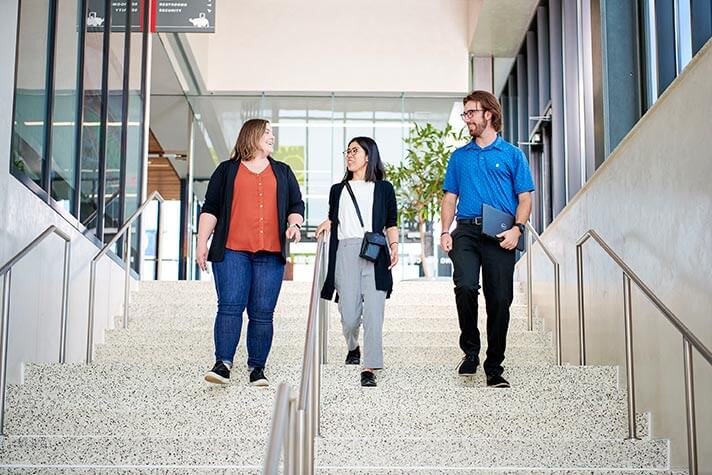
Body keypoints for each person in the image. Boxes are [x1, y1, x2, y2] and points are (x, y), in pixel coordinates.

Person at [196, 118, 304, 386]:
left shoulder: (283, 171)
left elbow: (296, 204)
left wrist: (294, 225)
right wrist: (201, 243)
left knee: (263, 312)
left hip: (271, 253)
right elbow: (210, 208)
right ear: (252, 135)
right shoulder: (226, 170)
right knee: (230, 307)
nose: (272, 137)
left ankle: (257, 368)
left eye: (272, 133)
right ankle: (223, 364)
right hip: (232, 251)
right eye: (267, 132)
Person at [440, 90, 534, 388]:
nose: (466, 118)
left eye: (471, 112)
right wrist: (445, 230)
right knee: (465, 286)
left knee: (499, 299)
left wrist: (517, 228)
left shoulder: (511, 155)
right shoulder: (459, 157)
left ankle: (494, 366)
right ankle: (470, 352)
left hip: (500, 232)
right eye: (465, 113)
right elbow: (449, 197)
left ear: (488, 114)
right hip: (466, 231)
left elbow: (525, 198)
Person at [317, 137, 398, 387]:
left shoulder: (384, 188)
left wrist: (394, 246)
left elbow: (391, 222)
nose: (349, 155)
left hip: (374, 251)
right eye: (347, 151)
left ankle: (369, 366)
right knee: (349, 315)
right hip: (345, 252)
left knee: (374, 313)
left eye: (355, 151)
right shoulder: (337, 190)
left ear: (368, 156)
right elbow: (334, 218)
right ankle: (353, 346)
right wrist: (327, 222)